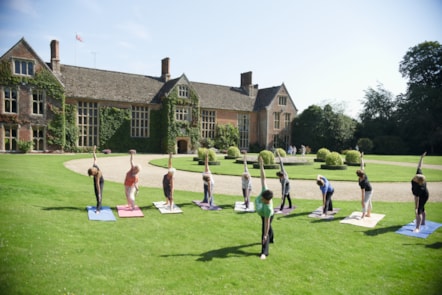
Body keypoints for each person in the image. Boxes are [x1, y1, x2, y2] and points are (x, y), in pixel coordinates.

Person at [255, 155, 274, 260]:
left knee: (265, 230)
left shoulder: (268, 209)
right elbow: (263, 178)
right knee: (270, 228)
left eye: (262, 199)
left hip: (266, 216)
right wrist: (261, 165)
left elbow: (266, 223)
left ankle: (264, 252)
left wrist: (265, 235)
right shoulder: (265, 190)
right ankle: (272, 238)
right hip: (262, 213)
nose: (261, 198)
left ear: (267, 201)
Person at [411, 152, 429, 233]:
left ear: (418, 181)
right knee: (422, 208)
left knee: (419, 211)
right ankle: (423, 222)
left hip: (424, 196)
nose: (415, 176)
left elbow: (417, 198)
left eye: (416, 177)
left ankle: (417, 228)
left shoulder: (419, 188)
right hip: (422, 195)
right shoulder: (419, 176)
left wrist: (416, 208)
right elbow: (419, 166)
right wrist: (421, 158)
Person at [87, 145, 104, 214]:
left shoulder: (97, 175)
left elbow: (98, 185)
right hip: (96, 182)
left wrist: (99, 193)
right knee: (96, 194)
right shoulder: (94, 166)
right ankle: (100, 205)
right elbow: (95, 159)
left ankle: (98, 209)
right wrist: (94, 151)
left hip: (100, 182)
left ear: (94, 173)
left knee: (98, 195)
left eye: (91, 175)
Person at [356, 152, 373, 219]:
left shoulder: (363, 182)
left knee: (365, 202)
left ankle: (363, 214)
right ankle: (368, 214)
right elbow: (362, 165)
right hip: (368, 190)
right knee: (368, 201)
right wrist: (361, 158)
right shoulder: (362, 175)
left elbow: (363, 193)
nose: (364, 175)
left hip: (369, 191)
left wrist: (362, 201)